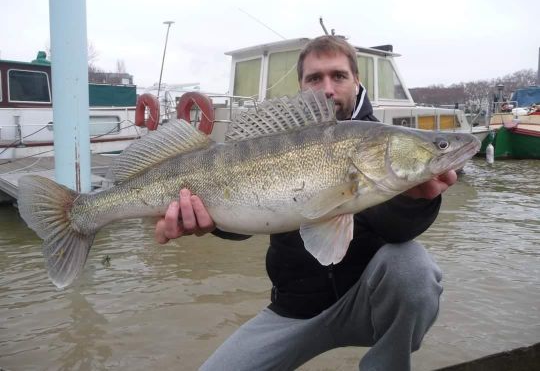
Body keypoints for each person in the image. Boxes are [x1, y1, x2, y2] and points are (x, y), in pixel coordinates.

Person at [154, 36, 457, 371]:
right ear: (301, 85)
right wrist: (209, 223)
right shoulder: (277, 139)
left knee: (412, 266)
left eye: (338, 76)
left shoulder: (380, 141)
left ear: (357, 82)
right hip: (293, 309)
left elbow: (399, 230)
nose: (327, 88)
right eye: (315, 78)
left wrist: (416, 201)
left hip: (365, 303)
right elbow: (248, 215)